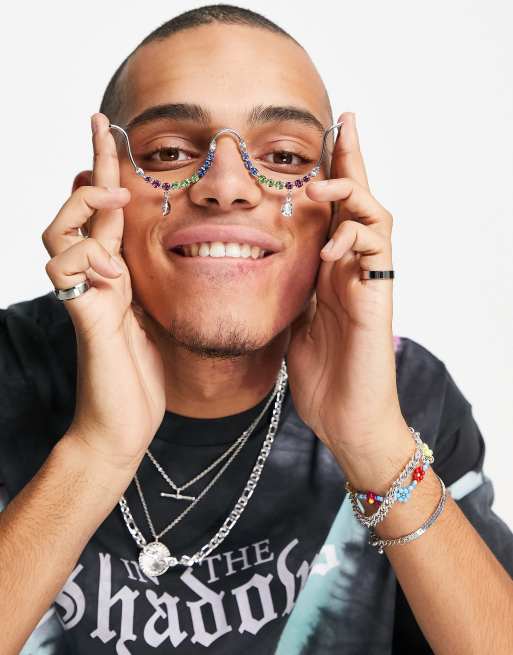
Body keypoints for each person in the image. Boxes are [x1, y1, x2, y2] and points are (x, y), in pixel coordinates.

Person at [0, 4, 512, 654]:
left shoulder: (406, 394)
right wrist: (97, 453)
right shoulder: (11, 368)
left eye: (285, 156)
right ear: (100, 194)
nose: (227, 186)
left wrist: (376, 447)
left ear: (336, 207)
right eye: (168, 152)